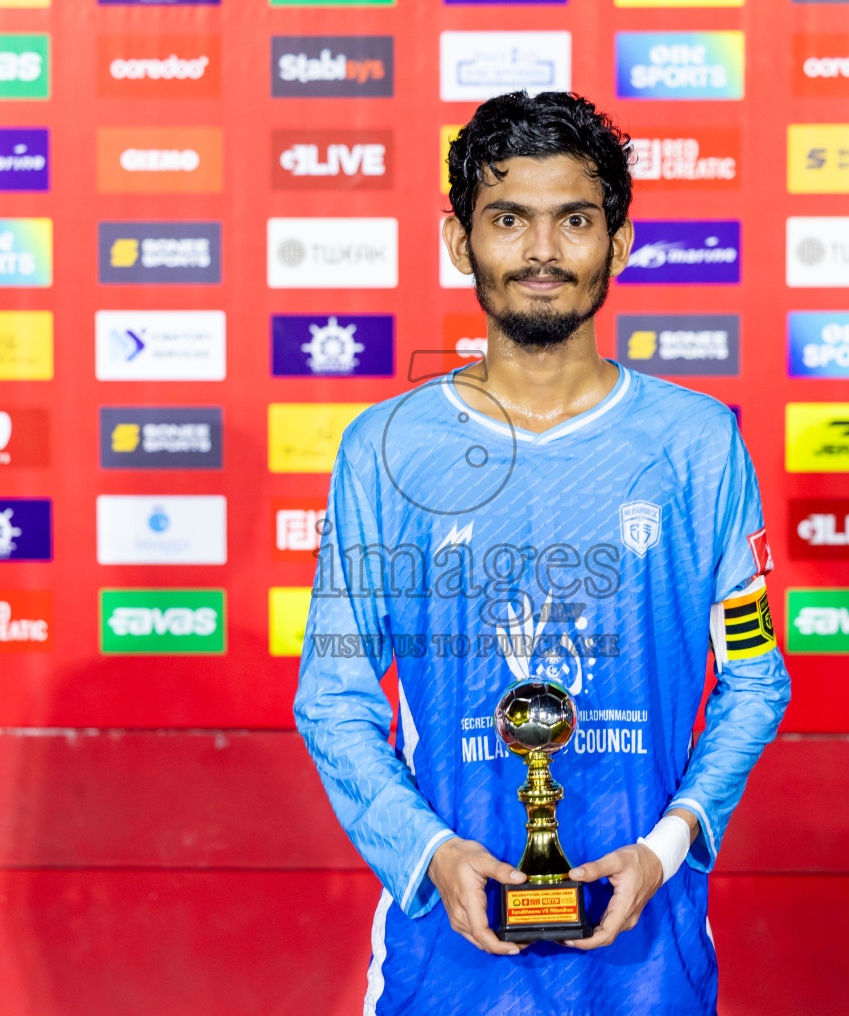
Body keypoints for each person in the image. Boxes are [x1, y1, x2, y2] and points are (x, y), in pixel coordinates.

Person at [293, 90, 790, 1016]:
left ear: (620, 241)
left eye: (574, 221)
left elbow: (756, 682)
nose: (542, 253)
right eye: (509, 219)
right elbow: (335, 695)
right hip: (444, 968)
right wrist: (431, 852)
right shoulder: (387, 450)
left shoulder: (699, 447)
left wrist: (666, 847)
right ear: (459, 242)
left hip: (649, 961)